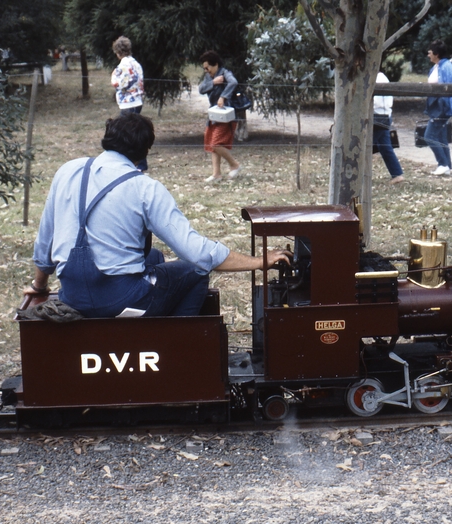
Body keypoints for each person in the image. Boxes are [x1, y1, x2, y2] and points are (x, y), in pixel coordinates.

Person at [25, 114, 291, 318]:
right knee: (195, 271)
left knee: (155, 259)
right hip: (120, 300)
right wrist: (259, 261)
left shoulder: (67, 171)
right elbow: (197, 253)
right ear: (145, 151)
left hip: (73, 296)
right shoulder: (144, 187)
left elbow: (45, 243)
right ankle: (172, 349)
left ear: (107, 139)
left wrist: (39, 287)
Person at [198, 51, 241, 182]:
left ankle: (235, 165)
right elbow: (201, 89)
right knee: (212, 144)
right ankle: (216, 173)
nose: (206, 71)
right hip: (214, 115)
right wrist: (213, 83)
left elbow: (233, 82)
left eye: (208, 68)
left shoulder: (225, 73)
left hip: (226, 116)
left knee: (216, 144)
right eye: (204, 68)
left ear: (215, 64)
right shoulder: (209, 77)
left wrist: (223, 96)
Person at [424, 40, 452, 176]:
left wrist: (450, 107)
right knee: (441, 137)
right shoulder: (436, 67)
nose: (428, 54)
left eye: (430, 51)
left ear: (436, 53)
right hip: (435, 105)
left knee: (429, 136)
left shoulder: (447, 68)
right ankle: (447, 167)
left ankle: (442, 163)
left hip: (442, 106)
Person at [110, 36, 147, 172]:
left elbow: (121, 84)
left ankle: (136, 163)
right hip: (137, 101)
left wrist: (114, 76)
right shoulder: (136, 63)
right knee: (135, 132)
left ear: (118, 51)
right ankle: (140, 163)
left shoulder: (123, 65)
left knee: (128, 135)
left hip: (127, 103)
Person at [372, 72, 404, 185]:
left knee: (364, 146)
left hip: (377, 117)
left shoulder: (378, 78)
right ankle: (397, 173)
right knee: (385, 147)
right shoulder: (380, 77)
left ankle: (357, 172)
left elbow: (376, 102)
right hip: (383, 117)